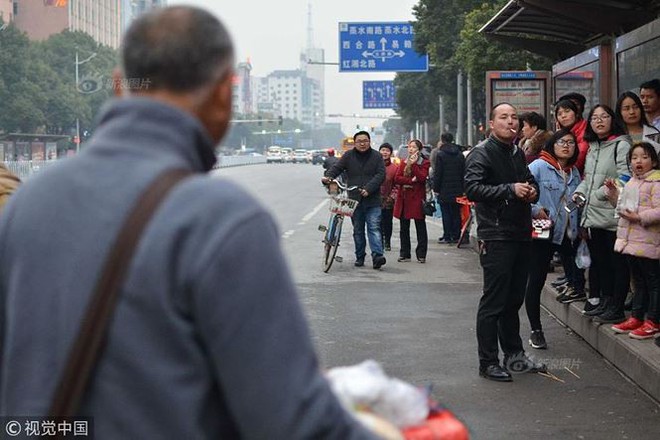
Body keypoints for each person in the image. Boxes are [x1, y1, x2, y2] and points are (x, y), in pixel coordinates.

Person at [0, 7, 377, 439]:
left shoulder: (29, 199)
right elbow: (291, 419)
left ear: (120, 86)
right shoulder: (221, 218)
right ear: (222, 95)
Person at [464, 102, 545, 382]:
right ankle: (488, 362)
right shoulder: (481, 153)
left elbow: (528, 180)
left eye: (514, 117)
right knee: (494, 301)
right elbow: (472, 189)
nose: (511, 121)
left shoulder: (517, 152)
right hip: (495, 234)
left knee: (513, 300)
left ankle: (515, 355)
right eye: (503, 117)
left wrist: (531, 191)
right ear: (491, 124)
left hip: (521, 232)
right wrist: (509, 189)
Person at [572, 104, 632, 323]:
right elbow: (588, 178)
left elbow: (625, 178)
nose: (599, 121)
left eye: (604, 117)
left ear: (612, 119)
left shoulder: (621, 144)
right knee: (601, 262)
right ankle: (606, 302)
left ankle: (617, 307)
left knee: (617, 264)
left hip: (612, 215)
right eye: (594, 117)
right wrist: (579, 194)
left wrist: (596, 195)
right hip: (593, 216)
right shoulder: (594, 146)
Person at [525, 129, 582, 350]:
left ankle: (583, 294)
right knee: (537, 278)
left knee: (576, 268)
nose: (566, 146)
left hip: (569, 230)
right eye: (561, 142)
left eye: (571, 142)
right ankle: (536, 330)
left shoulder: (574, 172)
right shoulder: (538, 166)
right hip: (542, 228)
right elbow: (523, 193)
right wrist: (536, 209)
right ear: (552, 144)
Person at [605, 142, 660, 339]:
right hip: (631, 242)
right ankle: (637, 317)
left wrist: (639, 217)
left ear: (653, 161)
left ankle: (653, 321)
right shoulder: (631, 182)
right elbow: (619, 206)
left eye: (644, 157)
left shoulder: (656, 183)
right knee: (638, 281)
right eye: (635, 157)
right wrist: (612, 192)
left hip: (648, 242)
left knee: (653, 282)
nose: (639, 161)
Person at [323, 131, 386, 269]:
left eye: (365, 141)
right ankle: (360, 256)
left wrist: (368, 188)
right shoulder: (348, 156)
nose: (362, 143)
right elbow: (337, 168)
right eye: (359, 141)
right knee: (358, 229)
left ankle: (377, 256)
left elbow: (381, 174)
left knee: (374, 227)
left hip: (373, 199)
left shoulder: (376, 156)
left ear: (369, 142)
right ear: (355, 143)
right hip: (354, 200)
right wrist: (328, 176)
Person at [393, 139, 430, 263]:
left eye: (413, 147)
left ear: (419, 149)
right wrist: (410, 181)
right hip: (404, 198)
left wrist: (414, 165)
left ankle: (421, 254)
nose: (411, 149)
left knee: (420, 227)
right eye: (409, 147)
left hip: (417, 199)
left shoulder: (424, 162)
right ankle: (405, 253)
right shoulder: (403, 162)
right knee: (404, 228)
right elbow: (397, 178)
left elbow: (422, 177)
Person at [432, 133, 465, 244]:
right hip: (458, 189)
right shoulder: (460, 154)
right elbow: (463, 172)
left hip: (444, 189)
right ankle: (456, 235)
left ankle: (447, 235)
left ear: (442, 140)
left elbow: (438, 173)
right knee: (456, 212)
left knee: (446, 212)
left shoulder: (440, 154)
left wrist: (436, 188)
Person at [555, 99, 589, 175]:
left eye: (567, 111)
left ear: (576, 114)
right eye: (559, 114)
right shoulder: (561, 133)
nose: (563, 116)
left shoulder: (586, 130)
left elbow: (578, 159)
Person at [379, 142, 397, 252]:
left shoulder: (394, 168)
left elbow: (397, 185)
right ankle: (379, 241)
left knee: (387, 222)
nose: (384, 152)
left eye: (387, 151)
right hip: (376, 199)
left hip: (389, 200)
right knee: (377, 222)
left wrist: (392, 197)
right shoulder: (374, 167)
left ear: (390, 153)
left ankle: (387, 241)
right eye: (383, 150)